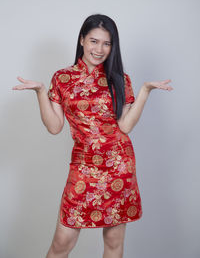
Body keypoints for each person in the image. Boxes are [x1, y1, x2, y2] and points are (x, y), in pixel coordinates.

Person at [13, 14, 173, 258]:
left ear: (113, 46)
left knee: (113, 242)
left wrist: (145, 91)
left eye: (106, 43)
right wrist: (41, 92)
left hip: (119, 165)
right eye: (94, 41)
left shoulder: (120, 79)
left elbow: (126, 126)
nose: (99, 49)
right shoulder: (62, 78)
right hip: (84, 166)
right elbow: (55, 127)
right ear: (81, 40)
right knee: (61, 243)